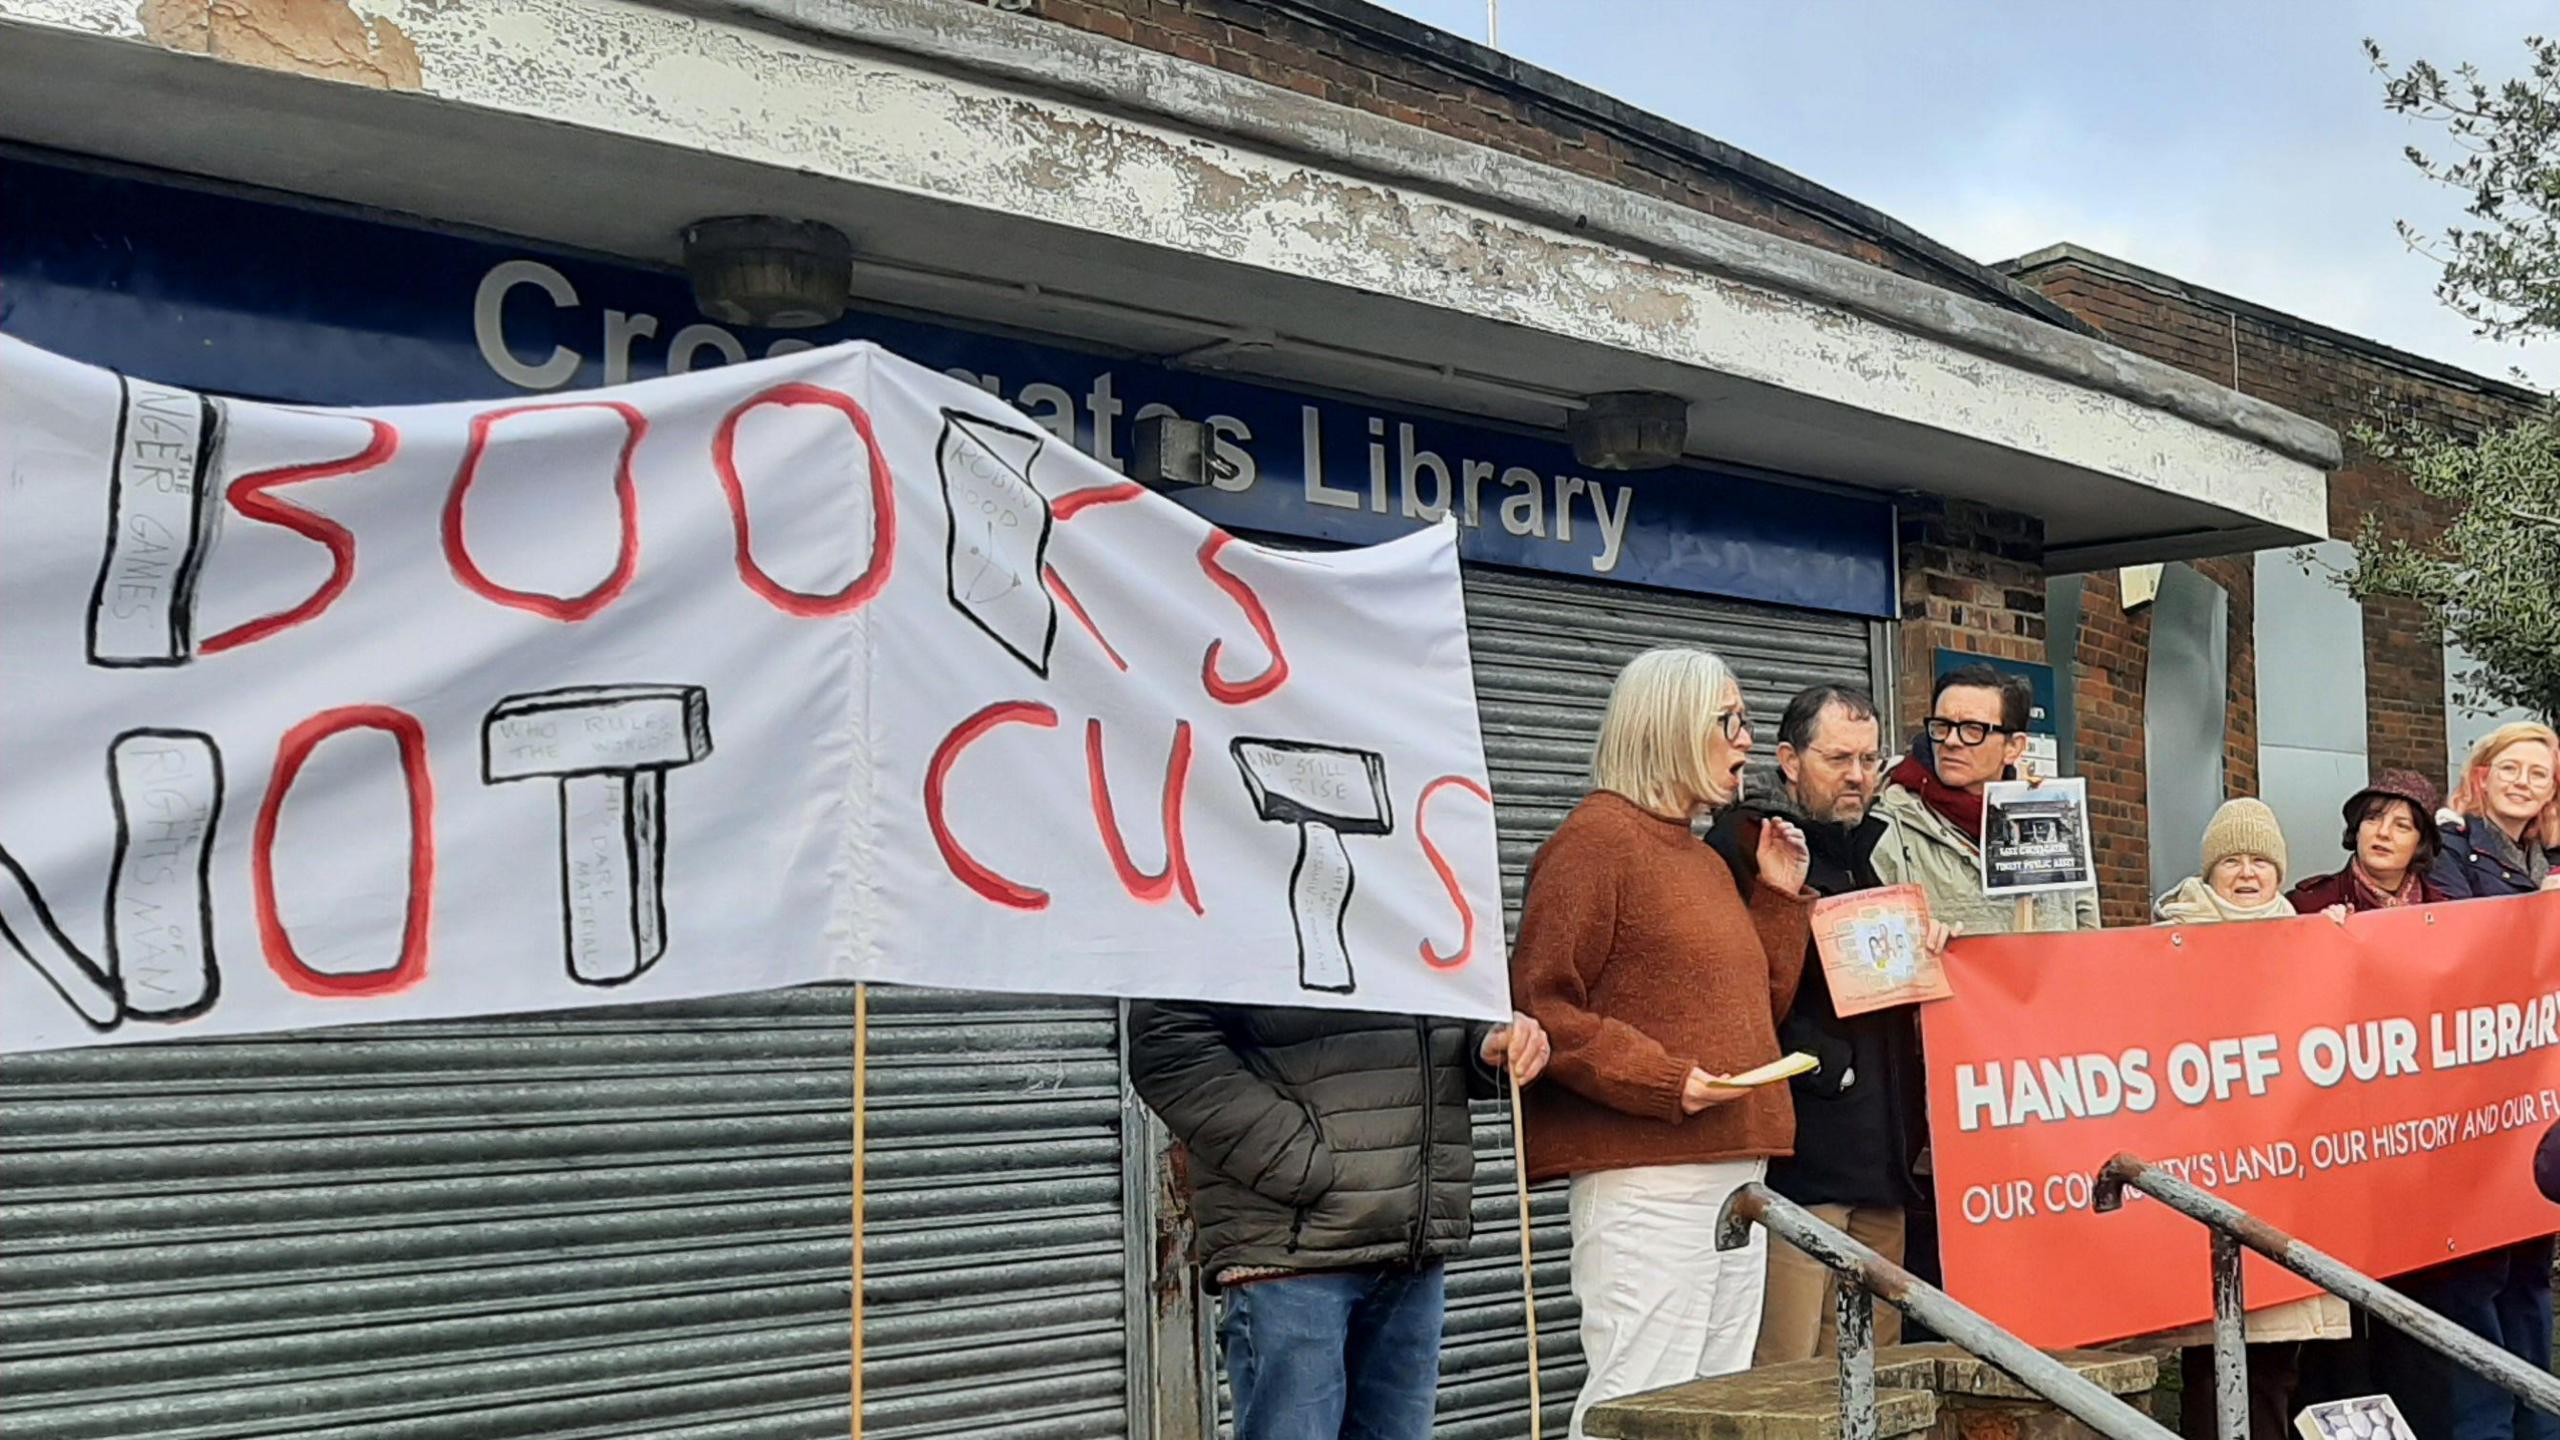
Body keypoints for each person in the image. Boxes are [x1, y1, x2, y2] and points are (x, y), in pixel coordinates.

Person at [1507, 646, 1814, 1438]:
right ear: (1671, 726)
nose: (1746, 739)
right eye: (1730, 721)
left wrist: (1779, 902)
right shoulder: (1595, 844)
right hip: (1648, 1175)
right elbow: (1541, 1004)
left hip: (1731, 1164)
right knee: (1641, 1402)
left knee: (1710, 1406)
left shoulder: (1704, 858)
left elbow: (1753, 1012)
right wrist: (1664, 1080)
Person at [1127, 1001, 1551, 1440]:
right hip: (1293, 1247)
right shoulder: (1229, 928)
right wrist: (1294, 1162)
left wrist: (1489, 1042)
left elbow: (1451, 1011)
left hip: (1411, 1244)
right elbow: (1166, 1039)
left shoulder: (1427, 927)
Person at [1704, 683, 1950, 1366]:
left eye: (1871, 760)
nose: (1857, 777)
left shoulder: (1876, 850)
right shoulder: (1747, 846)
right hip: (1800, 1161)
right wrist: (1822, 1064)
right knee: (1792, 1372)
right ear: (1787, 758)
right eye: (1838, 758)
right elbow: (1731, 986)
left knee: (1877, 1365)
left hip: (1884, 1156)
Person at [2353, 728, 2560, 1440]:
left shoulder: (2547, 858)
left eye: (2541, 772)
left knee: (2530, 1277)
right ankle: (2484, 1428)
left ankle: (2539, 1420)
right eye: (2512, 766)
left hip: (2538, 1103)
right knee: (2476, 1278)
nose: (2525, 782)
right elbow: (2460, 948)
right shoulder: (2454, 851)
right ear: (2482, 772)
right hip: (2473, 1105)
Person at [2151, 797, 2351, 1440]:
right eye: (2231, 860)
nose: (2245, 874)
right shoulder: (2162, 948)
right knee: (2212, 1363)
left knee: (2276, 1362)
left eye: (2260, 861)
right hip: (2207, 1176)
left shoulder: (2313, 940)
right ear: (2208, 872)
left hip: (2288, 1183)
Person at [1871, 664, 2101, 937]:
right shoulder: (1887, 824)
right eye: (1942, 726)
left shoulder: (2055, 823)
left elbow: (2088, 935)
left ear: (2013, 747)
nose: (1951, 741)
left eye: (1972, 729)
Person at [2286, 770, 2447, 916]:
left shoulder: (2446, 912)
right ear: (2357, 829)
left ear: (2420, 843)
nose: (2383, 833)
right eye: (2372, 818)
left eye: (2401, 826)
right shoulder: (2307, 905)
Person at [2433, 722, 2560, 900]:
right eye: (2509, 768)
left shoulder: (2551, 858)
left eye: (2538, 774)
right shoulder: (2447, 846)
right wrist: (2543, 904)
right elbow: (2457, 924)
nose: (2522, 782)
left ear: (2551, 791)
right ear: (2483, 779)